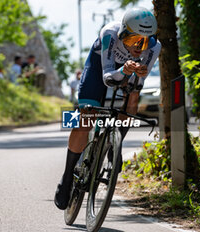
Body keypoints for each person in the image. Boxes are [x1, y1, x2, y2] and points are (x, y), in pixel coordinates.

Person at [54, 7, 161, 210]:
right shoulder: (109, 34)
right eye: (133, 40)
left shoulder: (155, 48)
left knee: (133, 97)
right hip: (100, 69)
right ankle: (67, 177)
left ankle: (115, 145)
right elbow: (108, 77)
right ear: (123, 33)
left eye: (144, 41)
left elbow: (136, 83)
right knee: (86, 118)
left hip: (126, 73)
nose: (139, 47)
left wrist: (135, 74)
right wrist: (124, 69)